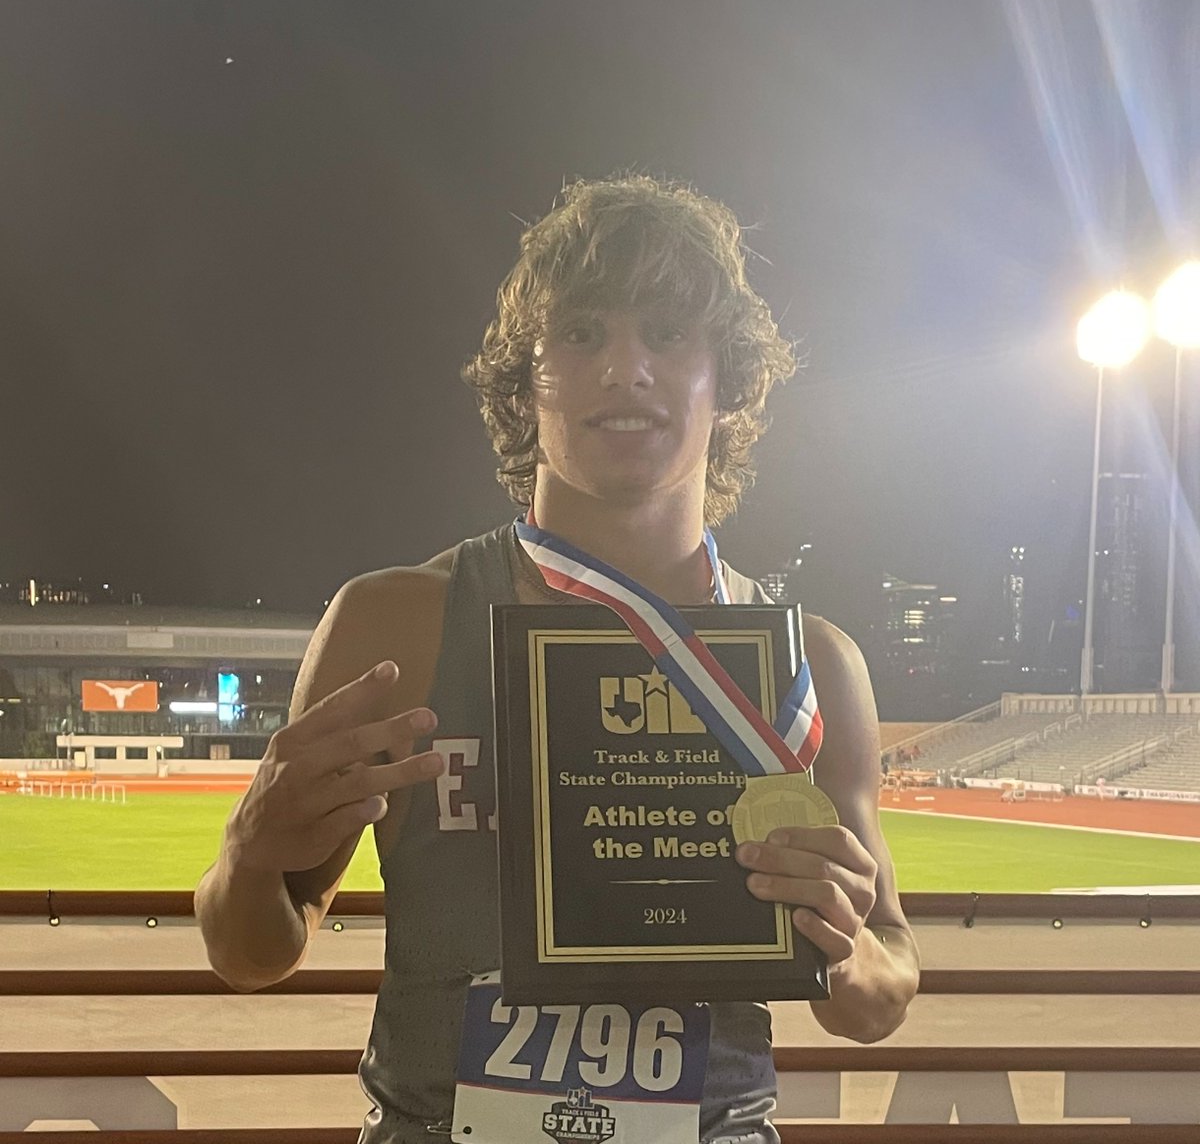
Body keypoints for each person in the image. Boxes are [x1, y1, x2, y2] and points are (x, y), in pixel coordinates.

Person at [195, 176, 919, 1143]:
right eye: (581, 334)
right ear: (522, 379)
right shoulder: (393, 626)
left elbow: (878, 994)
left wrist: (843, 944)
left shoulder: (806, 663)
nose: (625, 369)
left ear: (729, 377)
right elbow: (251, 954)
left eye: (667, 333)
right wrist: (247, 854)